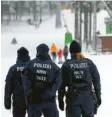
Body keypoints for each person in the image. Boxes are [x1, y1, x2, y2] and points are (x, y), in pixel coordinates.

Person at [58, 40, 101, 117]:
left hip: (73, 98)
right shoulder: (89, 63)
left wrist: (60, 99)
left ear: (70, 52)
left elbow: (61, 84)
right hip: (87, 98)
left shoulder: (66, 65)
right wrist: (98, 96)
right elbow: (96, 80)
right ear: (80, 51)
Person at [22, 43, 61, 117]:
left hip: (34, 99)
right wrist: (51, 92)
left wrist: (29, 92)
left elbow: (25, 80)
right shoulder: (54, 67)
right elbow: (59, 79)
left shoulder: (30, 64)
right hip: (49, 100)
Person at [4, 47, 30, 117]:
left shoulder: (13, 69)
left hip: (18, 100)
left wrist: (7, 102)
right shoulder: (32, 67)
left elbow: (8, 87)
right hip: (32, 100)